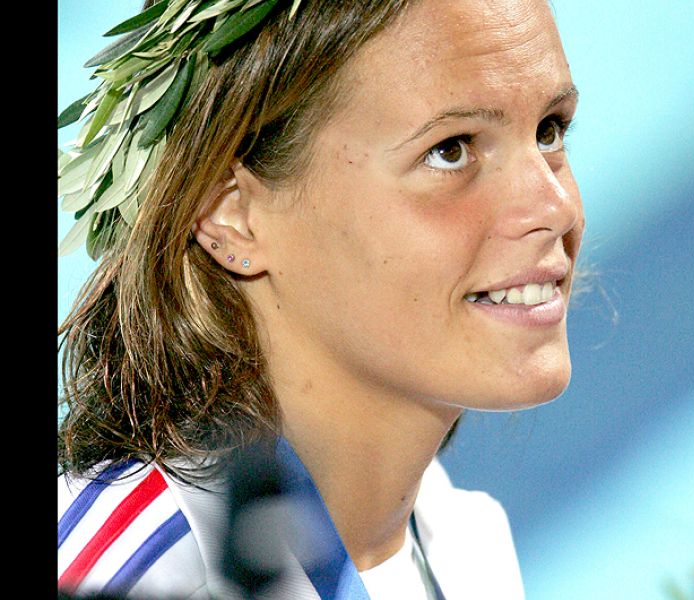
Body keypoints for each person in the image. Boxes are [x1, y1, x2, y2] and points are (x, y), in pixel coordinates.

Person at [57, 0, 584, 597]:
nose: (555, 208)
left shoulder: (466, 544)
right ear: (232, 214)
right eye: (451, 149)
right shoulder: (126, 575)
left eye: (549, 131)